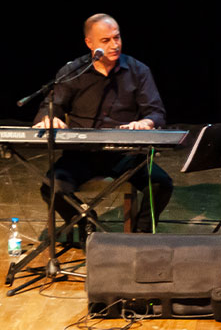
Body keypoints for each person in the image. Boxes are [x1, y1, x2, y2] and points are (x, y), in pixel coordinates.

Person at [33, 13, 172, 233]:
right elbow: (51, 106)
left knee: (161, 184)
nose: (114, 45)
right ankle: (86, 223)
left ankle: (141, 233)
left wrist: (146, 122)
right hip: (81, 154)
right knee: (51, 188)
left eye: (117, 37)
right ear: (90, 43)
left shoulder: (138, 71)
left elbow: (156, 112)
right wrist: (49, 118)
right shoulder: (73, 73)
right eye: (106, 41)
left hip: (127, 155)